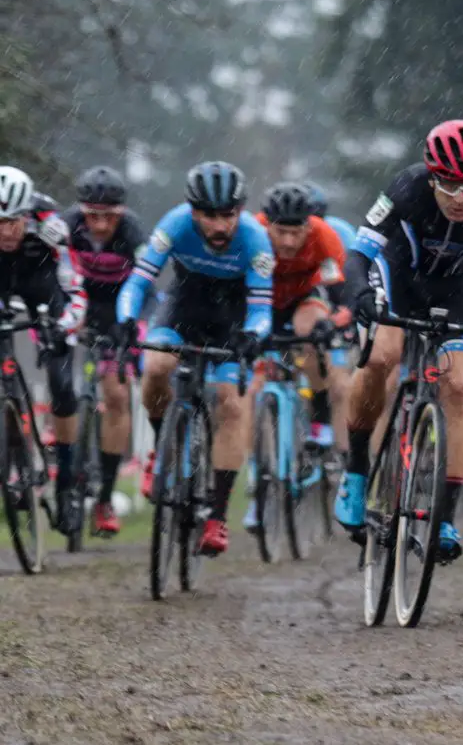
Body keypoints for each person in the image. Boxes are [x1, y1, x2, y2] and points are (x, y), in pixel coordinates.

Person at [338, 119, 463, 562]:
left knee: (460, 385)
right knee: (381, 357)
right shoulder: (406, 187)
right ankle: (355, 473)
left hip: (458, 290)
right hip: (399, 278)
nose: (460, 199)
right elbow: (357, 256)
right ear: (432, 175)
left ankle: (444, 515)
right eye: (449, 186)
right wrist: (358, 295)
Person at [116, 161, 273, 556]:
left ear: (240, 211)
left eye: (228, 215)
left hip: (231, 321)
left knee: (230, 402)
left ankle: (217, 515)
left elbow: (261, 308)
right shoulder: (174, 225)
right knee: (156, 368)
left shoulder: (256, 240)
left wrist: (253, 335)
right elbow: (138, 282)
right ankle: (160, 449)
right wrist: (125, 320)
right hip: (183, 310)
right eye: (209, 216)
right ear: (192, 211)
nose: (220, 226)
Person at [243, 183, 346, 531]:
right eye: (280, 232)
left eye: (296, 232)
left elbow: (341, 295)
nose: (288, 242)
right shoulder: (249, 230)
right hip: (259, 302)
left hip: (302, 301)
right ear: (266, 225)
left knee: (311, 336)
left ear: (309, 225)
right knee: (250, 390)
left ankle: (319, 423)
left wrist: (334, 323)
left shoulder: (325, 237)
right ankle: (256, 485)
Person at [0, 167, 87, 532]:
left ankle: (67, 482)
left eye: (14, 222)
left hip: (42, 285)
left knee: (62, 385)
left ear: (28, 215)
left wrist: (62, 326)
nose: (7, 231)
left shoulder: (52, 227)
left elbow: (76, 294)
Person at [61, 167, 145, 535]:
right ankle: (60, 432)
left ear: (121, 213)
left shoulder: (133, 233)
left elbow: (145, 281)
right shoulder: (66, 225)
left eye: (107, 216)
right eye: (92, 215)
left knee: (116, 395)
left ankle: (106, 498)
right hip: (76, 304)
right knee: (58, 375)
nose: (98, 224)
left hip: (117, 312)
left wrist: (128, 325)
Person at [306, 183, 357, 467]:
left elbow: (349, 293)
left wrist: (341, 321)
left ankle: (343, 454)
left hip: (336, 304)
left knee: (340, 385)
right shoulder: (282, 241)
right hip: (305, 304)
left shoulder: (339, 236)